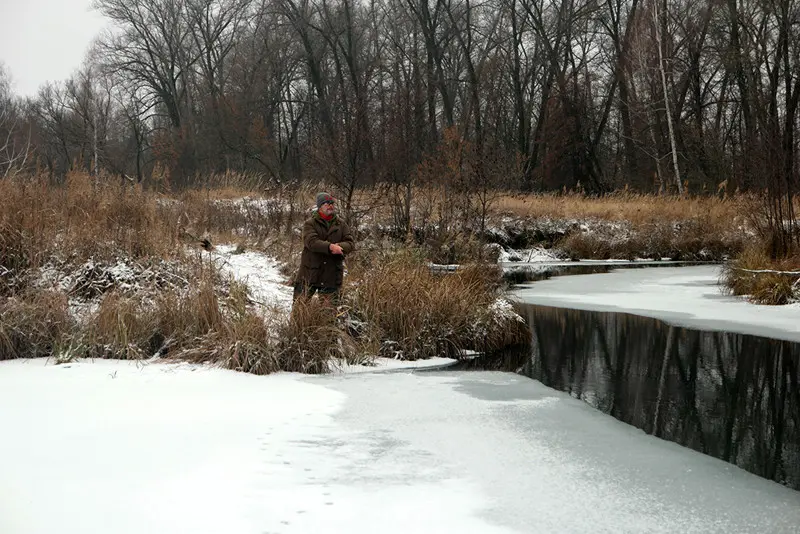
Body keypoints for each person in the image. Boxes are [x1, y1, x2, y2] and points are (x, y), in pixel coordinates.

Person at [293, 192, 355, 305]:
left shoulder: (341, 224)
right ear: (320, 206)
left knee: (329, 315)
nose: (330, 206)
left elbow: (350, 243)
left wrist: (340, 247)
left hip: (331, 274)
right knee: (299, 308)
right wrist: (330, 247)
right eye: (326, 203)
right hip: (310, 272)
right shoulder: (310, 224)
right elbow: (311, 242)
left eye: (332, 203)